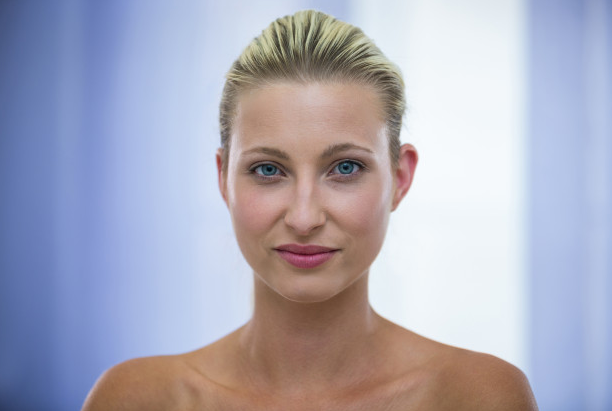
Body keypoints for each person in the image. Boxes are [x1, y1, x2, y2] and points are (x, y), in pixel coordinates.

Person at [82, 10, 538, 410]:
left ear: (400, 178)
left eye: (345, 168)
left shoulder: (479, 398)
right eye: (267, 170)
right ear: (223, 178)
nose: (303, 219)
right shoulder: (136, 399)